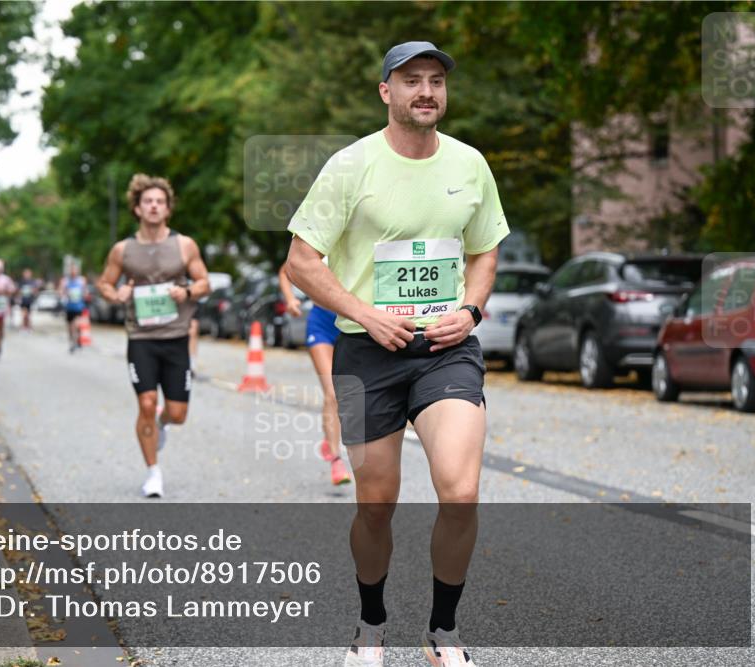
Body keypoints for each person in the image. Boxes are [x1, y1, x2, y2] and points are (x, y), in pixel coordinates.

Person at [285, 41, 508, 667]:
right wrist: (363, 313)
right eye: (412, 81)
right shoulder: (350, 166)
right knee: (375, 504)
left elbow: (486, 249)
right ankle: (370, 622)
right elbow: (301, 262)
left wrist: (469, 310)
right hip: (366, 353)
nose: (427, 92)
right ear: (386, 91)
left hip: (447, 350)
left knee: (460, 491)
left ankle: (443, 633)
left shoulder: (470, 165)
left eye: (436, 81)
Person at [97, 174, 210, 498]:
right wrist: (116, 295)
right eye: (148, 201)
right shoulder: (123, 250)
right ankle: (153, 472)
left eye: (160, 202)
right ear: (137, 209)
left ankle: (162, 425)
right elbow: (105, 284)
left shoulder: (184, 245)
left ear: (168, 209)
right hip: (141, 339)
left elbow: (204, 283)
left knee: (177, 414)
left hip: (176, 337)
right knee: (147, 403)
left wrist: (186, 291)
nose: (154, 206)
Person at [278, 263, 351, 486]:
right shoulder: (319, 243)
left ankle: (329, 441)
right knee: (333, 392)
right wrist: (290, 299)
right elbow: (286, 270)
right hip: (321, 322)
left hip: (352, 322)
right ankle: (336, 460)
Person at [58, 263, 90, 353]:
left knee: (75, 325)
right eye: (72, 270)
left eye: (75, 270)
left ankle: (74, 343)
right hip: (69, 307)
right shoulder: (65, 281)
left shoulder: (81, 280)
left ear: (77, 271)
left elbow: (85, 292)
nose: (73, 272)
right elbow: (60, 291)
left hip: (79, 307)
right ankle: (73, 341)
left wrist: (85, 294)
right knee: (69, 327)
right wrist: (63, 293)